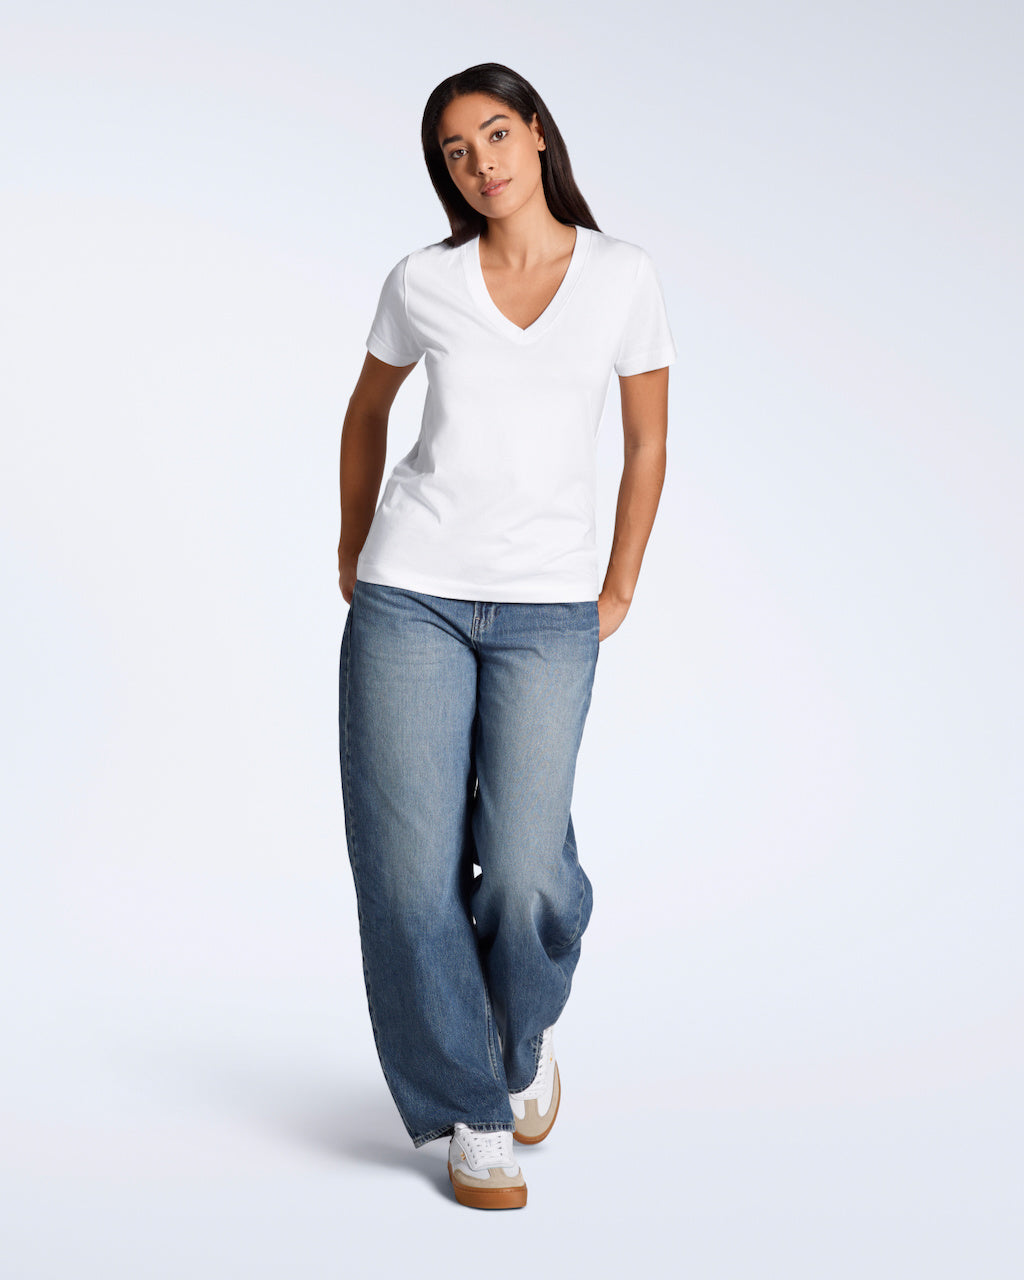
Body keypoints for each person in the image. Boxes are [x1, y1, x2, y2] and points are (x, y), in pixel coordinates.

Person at [337, 61, 676, 1210]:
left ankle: (515, 1045)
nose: (479, 162)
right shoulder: (422, 280)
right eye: (454, 151)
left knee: (528, 873)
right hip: (409, 598)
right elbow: (368, 409)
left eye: (493, 134)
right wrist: (352, 547)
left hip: (545, 612)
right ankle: (470, 1107)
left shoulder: (621, 276)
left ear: (536, 134)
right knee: (406, 874)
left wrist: (617, 585)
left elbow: (645, 443)